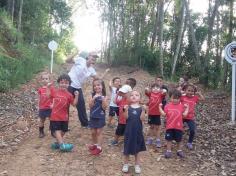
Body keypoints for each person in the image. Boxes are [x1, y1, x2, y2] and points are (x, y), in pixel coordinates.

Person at [68, 51, 109, 128]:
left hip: (78, 87)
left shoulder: (91, 70)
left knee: (81, 106)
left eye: (95, 58)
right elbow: (67, 60)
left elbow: (99, 79)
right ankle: (63, 125)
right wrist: (75, 51)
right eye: (93, 56)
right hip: (69, 85)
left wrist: (105, 72)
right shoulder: (80, 60)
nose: (94, 58)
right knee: (65, 105)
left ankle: (85, 124)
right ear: (88, 56)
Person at [48, 74, 79, 152]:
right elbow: (48, 96)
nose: (63, 84)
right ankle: (62, 145)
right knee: (57, 130)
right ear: (59, 83)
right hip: (55, 116)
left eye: (66, 83)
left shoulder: (69, 95)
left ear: (69, 84)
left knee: (63, 131)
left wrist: (77, 96)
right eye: (62, 82)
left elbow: (74, 104)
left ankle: (58, 143)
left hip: (64, 117)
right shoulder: (55, 91)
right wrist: (48, 88)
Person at [159, 89, 189, 158]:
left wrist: (187, 108)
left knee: (179, 139)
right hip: (169, 126)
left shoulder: (181, 106)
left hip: (178, 127)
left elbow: (184, 115)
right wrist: (159, 107)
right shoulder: (167, 106)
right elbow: (163, 114)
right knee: (169, 139)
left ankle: (179, 150)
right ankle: (168, 151)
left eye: (177, 98)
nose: (176, 100)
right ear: (170, 98)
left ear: (180, 98)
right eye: (174, 98)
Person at [122, 90, 146, 174]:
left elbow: (142, 119)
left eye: (137, 95)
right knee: (127, 148)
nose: (134, 96)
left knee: (137, 149)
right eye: (132, 95)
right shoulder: (127, 107)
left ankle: (137, 165)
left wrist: (143, 110)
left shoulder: (141, 108)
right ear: (129, 97)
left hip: (138, 132)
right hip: (129, 131)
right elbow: (126, 117)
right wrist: (125, 110)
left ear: (140, 98)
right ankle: (125, 164)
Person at [109, 78, 136, 146]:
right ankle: (115, 140)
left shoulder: (131, 101)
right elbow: (115, 102)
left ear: (129, 93)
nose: (122, 93)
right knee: (118, 131)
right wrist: (118, 94)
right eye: (121, 92)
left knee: (128, 132)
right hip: (121, 120)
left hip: (128, 120)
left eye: (123, 93)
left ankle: (127, 142)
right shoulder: (122, 100)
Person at [180, 83, 205, 150]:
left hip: (190, 117)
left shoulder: (195, 98)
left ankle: (189, 142)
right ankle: (177, 140)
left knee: (192, 130)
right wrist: (181, 91)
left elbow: (203, 99)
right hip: (181, 116)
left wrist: (199, 94)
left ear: (194, 92)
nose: (190, 92)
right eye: (188, 90)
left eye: (192, 91)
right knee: (178, 128)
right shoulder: (182, 97)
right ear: (185, 90)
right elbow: (175, 96)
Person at [88, 79, 108, 155]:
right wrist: (93, 98)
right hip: (93, 116)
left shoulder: (105, 96)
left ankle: (99, 147)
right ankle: (95, 144)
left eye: (98, 85)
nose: (96, 87)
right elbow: (90, 106)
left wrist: (103, 100)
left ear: (102, 86)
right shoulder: (92, 95)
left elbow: (104, 107)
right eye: (95, 85)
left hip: (100, 116)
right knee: (93, 132)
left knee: (99, 132)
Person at [145, 83, 166, 147]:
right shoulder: (150, 94)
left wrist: (164, 90)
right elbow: (146, 91)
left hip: (157, 114)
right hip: (151, 113)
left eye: (157, 87)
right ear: (151, 89)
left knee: (157, 128)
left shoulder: (160, 95)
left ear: (160, 89)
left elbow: (164, 93)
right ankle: (150, 139)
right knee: (151, 127)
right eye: (154, 88)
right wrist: (146, 89)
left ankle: (158, 140)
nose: (155, 89)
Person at [37, 72, 52, 138]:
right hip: (42, 108)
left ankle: (52, 129)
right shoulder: (40, 89)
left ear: (49, 80)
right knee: (42, 120)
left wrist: (53, 104)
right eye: (43, 79)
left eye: (46, 78)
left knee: (51, 119)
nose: (45, 80)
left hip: (50, 107)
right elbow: (38, 98)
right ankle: (41, 132)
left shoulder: (51, 88)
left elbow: (53, 97)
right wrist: (38, 106)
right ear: (41, 80)